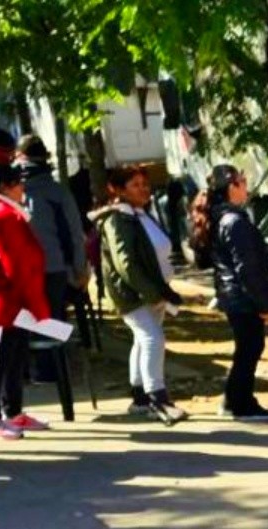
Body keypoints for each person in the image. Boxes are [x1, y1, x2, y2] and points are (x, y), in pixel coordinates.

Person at [93, 165, 186, 425]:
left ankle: (140, 397)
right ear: (118, 190)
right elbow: (126, 264)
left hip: (154, 289)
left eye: (144, 183)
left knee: (142, 340)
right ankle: (158, 398)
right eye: (135, 185)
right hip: (134, 294)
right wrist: (152, 293)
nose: (143, 189)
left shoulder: (141, 214)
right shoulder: (117, 219)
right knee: (153, 339)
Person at [0, 163, 52, 440]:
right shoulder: (5, 217)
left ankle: (12, 412)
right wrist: (36, 303)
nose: (22, 188)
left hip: (2, 296)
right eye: (18, 183)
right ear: (5, 186)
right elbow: (18, 265)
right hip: (7, 298)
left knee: (13, 358)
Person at [190, 165, 268, 421]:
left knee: (248, 348)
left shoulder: (221, 218)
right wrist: (264, 304)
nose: (246, 186)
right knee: (249, 348)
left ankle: (239, 399)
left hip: (232, 296)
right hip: (242, 298)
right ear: (232, 187)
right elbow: (248, 268)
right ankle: (237, 403)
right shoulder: (234, 221)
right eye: (243, 181)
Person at [13, 135, 85, 386]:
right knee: (51, 317)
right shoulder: (56, 191)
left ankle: (27, 370)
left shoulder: (9, 191)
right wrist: (79, 269)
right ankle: (52, 370)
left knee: (24, 318)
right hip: (53, 266)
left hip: (19, 269)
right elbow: (75, 233)